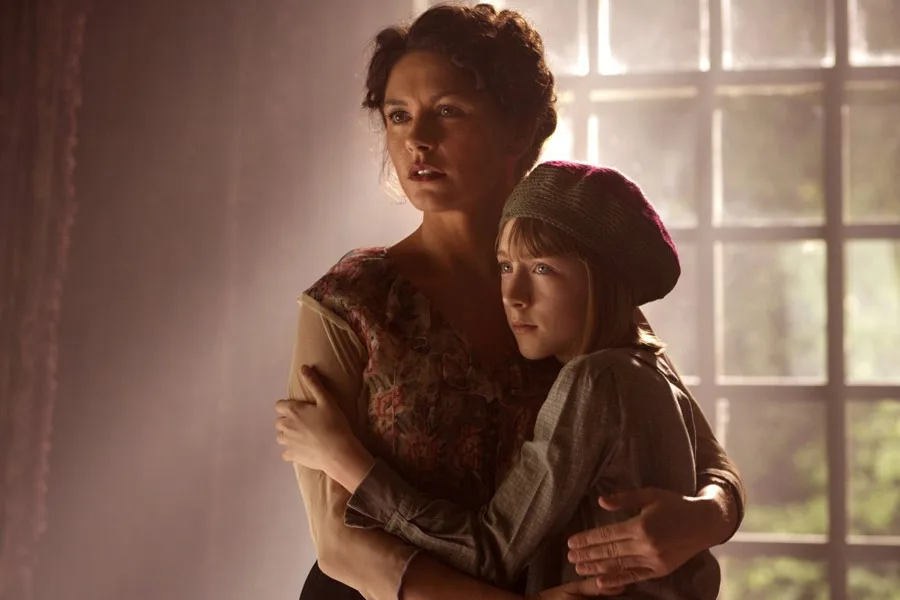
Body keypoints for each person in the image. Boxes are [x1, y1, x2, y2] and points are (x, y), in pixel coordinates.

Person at [276, 4, 745, 600]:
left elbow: (712, 465)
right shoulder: (352, 300)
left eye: (448, 111)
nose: (417, 138)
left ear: (519, 131)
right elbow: (340, 544)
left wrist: (703, 518)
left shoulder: (576, 286)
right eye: (398, 115)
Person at [278, 161, 722, 599]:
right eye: (506, 267)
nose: (514, 296)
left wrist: (345, 460)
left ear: (602, 282)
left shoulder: (595, 381)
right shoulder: (647, 368)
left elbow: (490, 551)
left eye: (543, 269)